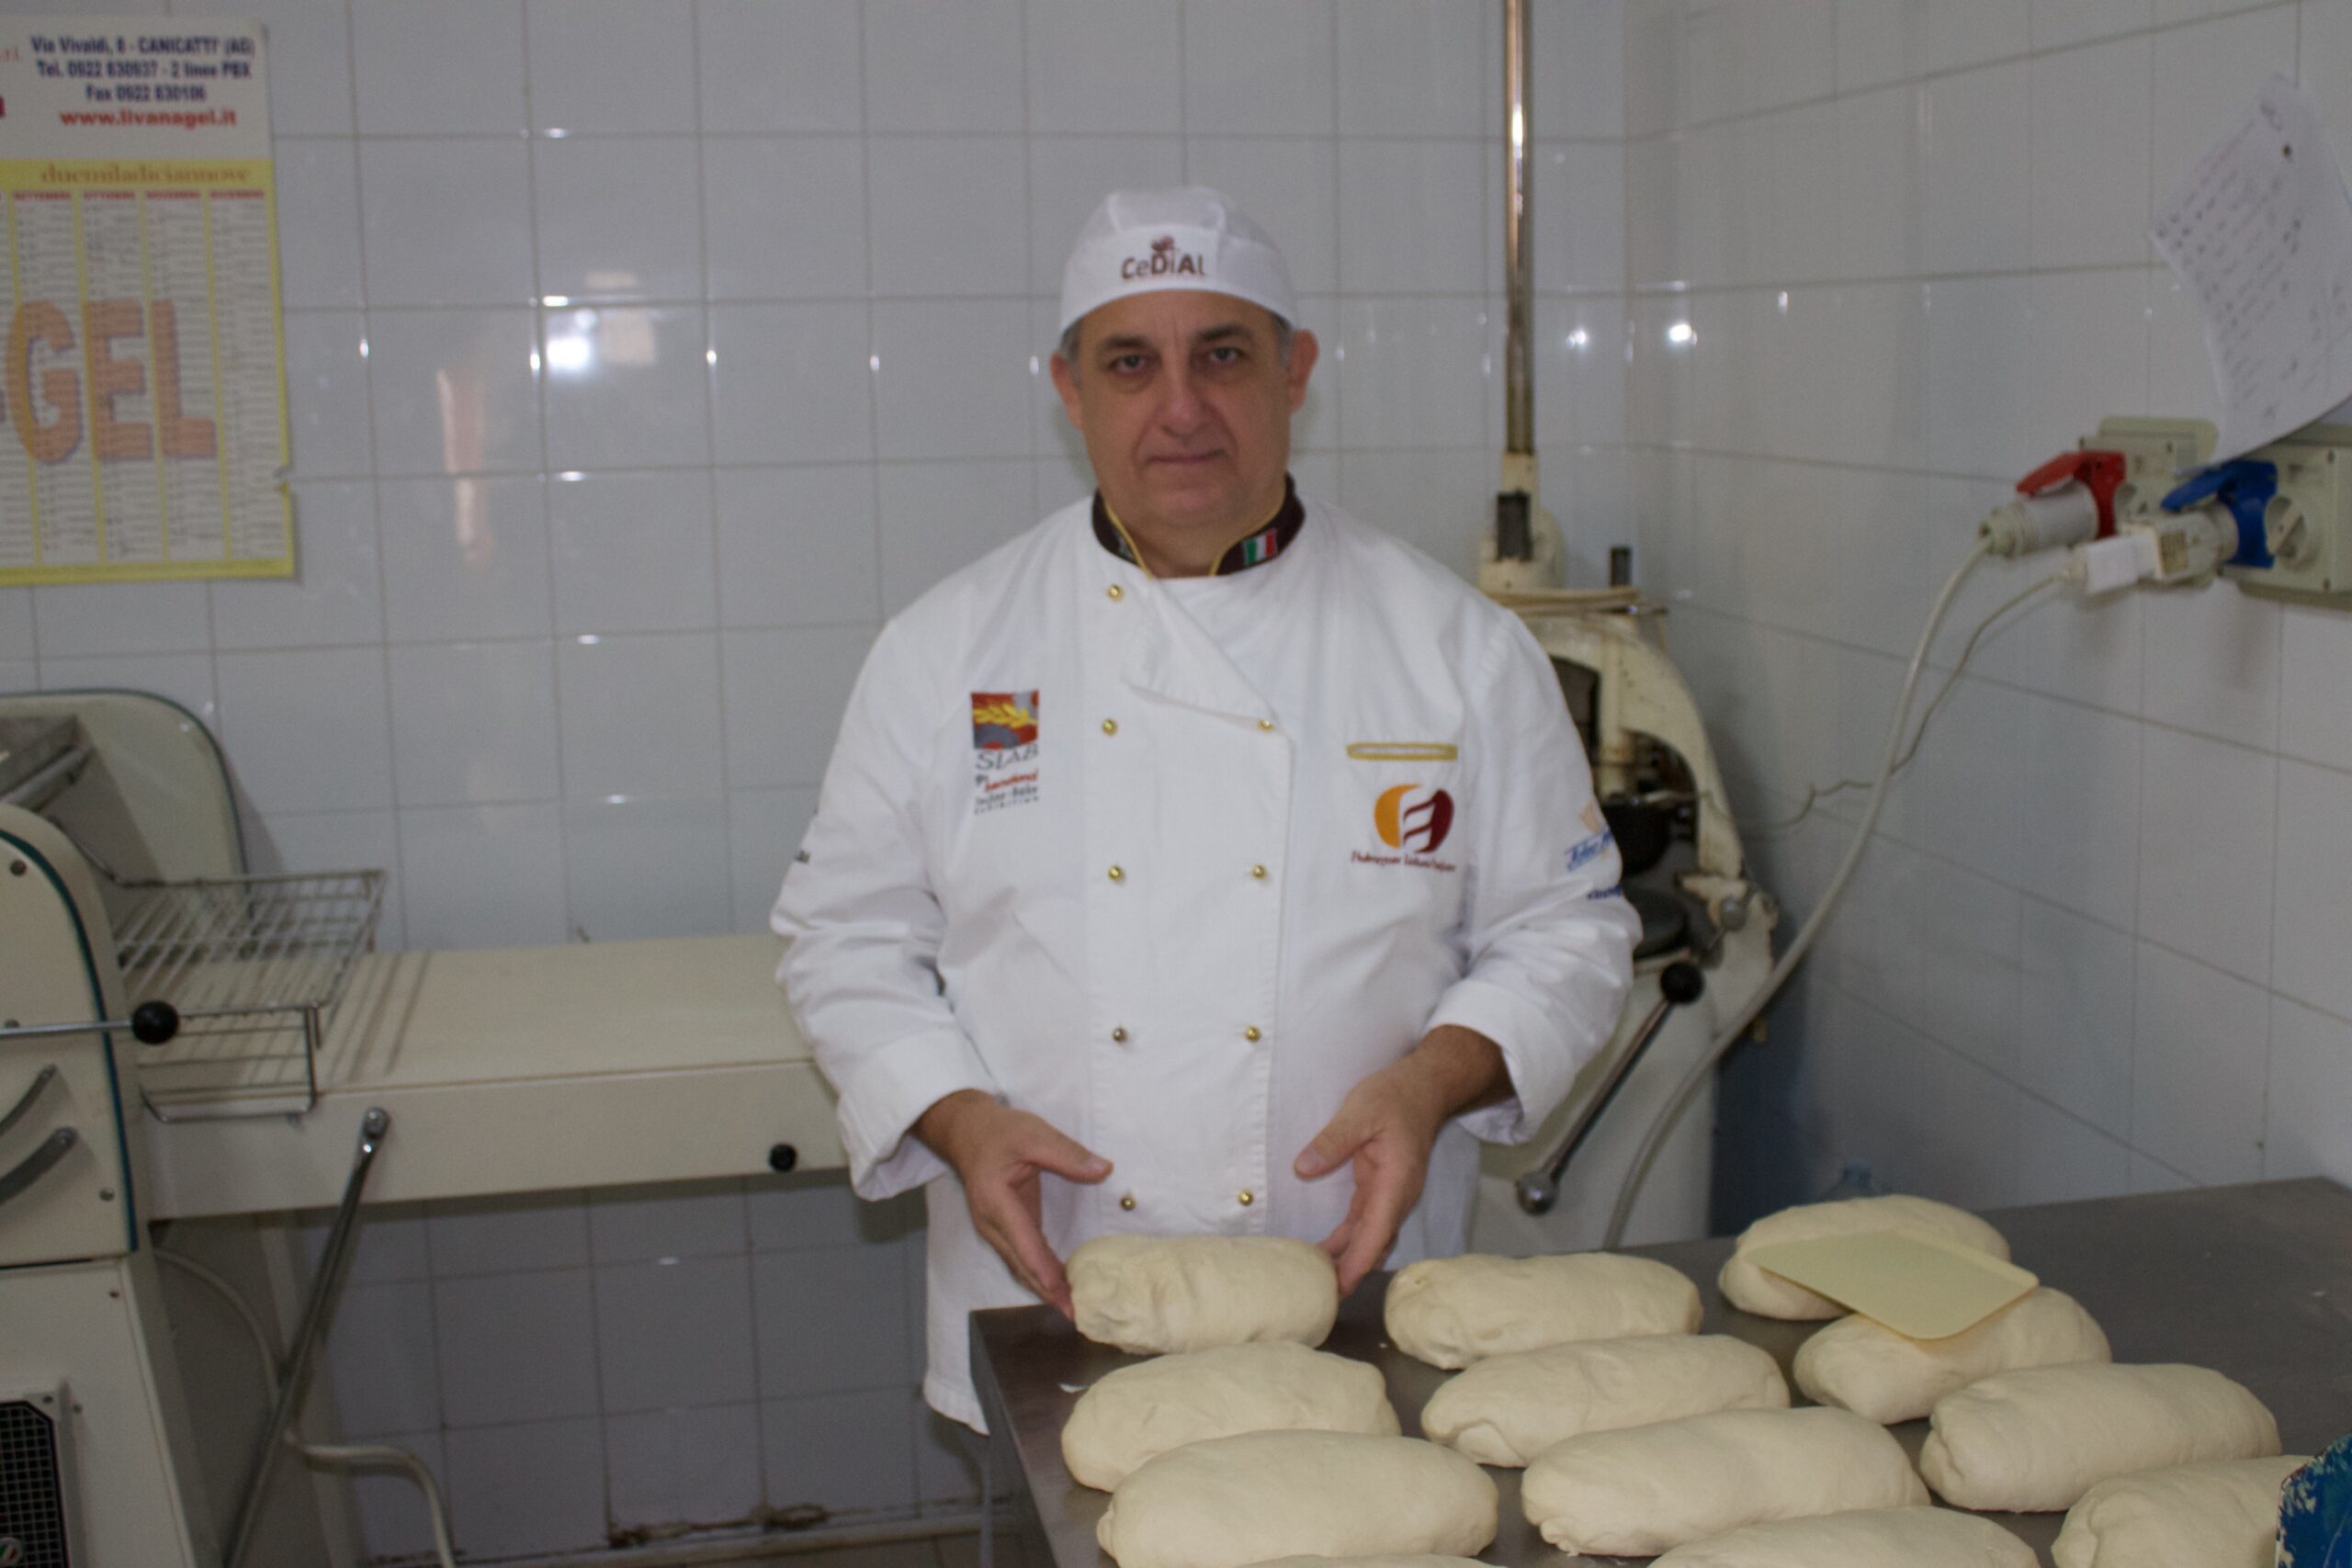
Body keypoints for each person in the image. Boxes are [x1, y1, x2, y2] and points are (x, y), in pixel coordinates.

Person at [774, 186, 1637, 1430]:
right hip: (1050, 1291)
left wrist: (1436, 1080)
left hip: (1352, 1285)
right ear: (1072, 392)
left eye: (1222, 355)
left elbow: (1568, 929)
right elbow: (844, 937)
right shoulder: (948, 650)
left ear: (1296, 373)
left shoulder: (1452, 647)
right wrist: (956, 1120)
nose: (1180, 407)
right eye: (1132, 363)